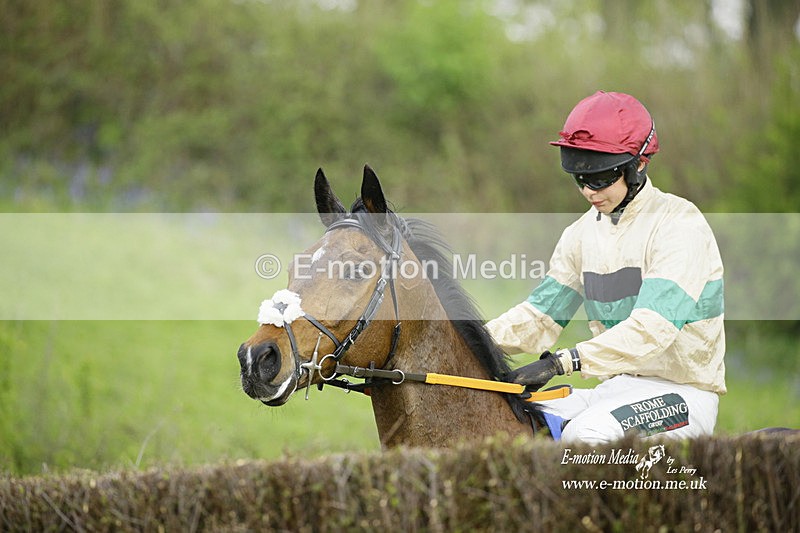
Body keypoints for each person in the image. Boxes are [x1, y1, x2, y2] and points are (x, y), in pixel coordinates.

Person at [487, 91, 725, 444]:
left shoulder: (679, 225)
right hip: (616, 388)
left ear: (639, 163)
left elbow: (651, 331)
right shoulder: (580, 234)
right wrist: (462, 340)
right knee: (508, 422)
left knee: (587, 434)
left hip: (683, 395)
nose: (588, 191)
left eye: (600, 178)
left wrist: (560, 363)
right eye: (579, 178)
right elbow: (538, 318)